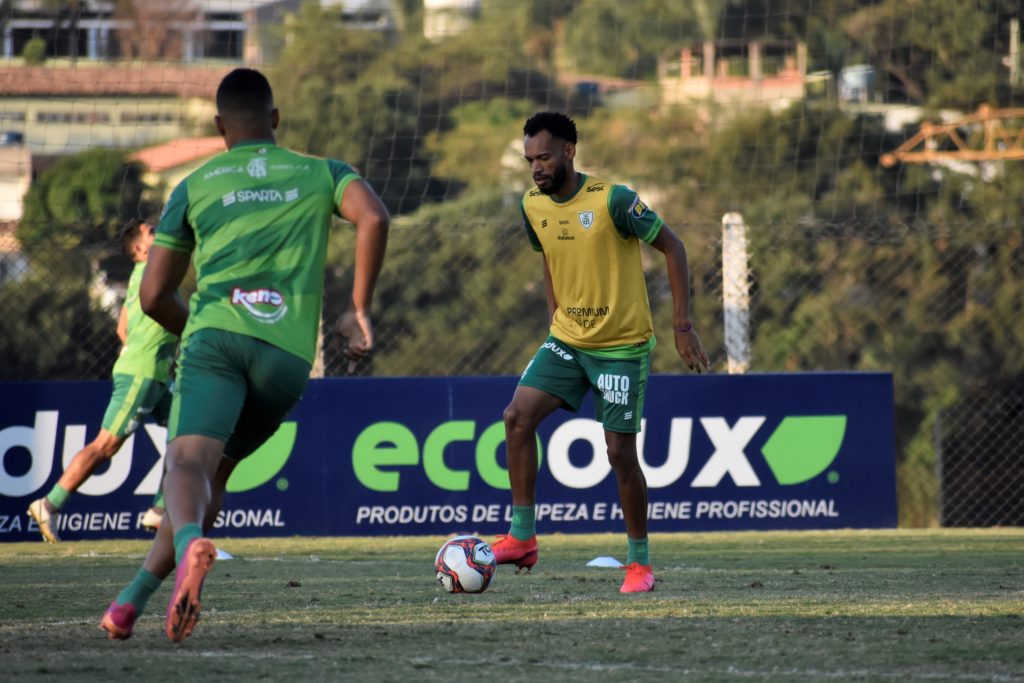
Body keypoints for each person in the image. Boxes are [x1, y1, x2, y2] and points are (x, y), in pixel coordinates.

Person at [99, 67, 389, 642]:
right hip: (285, 359)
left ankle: (188, 548)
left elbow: (154, 296)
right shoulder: (321, 172)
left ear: (218, 126)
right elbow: (374, 216)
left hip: (216, 342)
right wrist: (358, 308)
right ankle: (129, 603)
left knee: (185, 468)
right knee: (214, 476)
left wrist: (199, 333)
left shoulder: (195, 185)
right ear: (275, 120)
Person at [492, 112, 710, 593]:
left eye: (544, 156)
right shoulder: (533, 205)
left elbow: (674, 248)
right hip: (567, 340)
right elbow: (549, 256)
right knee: (516, 417)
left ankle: (639, 564)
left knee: (619, 454)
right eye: (529, 159)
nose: (536, 168)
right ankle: (523, 538)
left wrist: (682, 326)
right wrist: (555, 318)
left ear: (569, 150)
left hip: (620, 349)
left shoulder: (614, 200)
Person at [27, 219, 177, 543]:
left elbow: (122, 328)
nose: (160, 232)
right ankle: (48, 504)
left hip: (157, 372)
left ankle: (162, 511)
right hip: (142, 372)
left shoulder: (145, 274)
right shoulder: (155, 269)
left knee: (190, 432)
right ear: (139, 249)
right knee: (105, 446)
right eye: (152, 231)